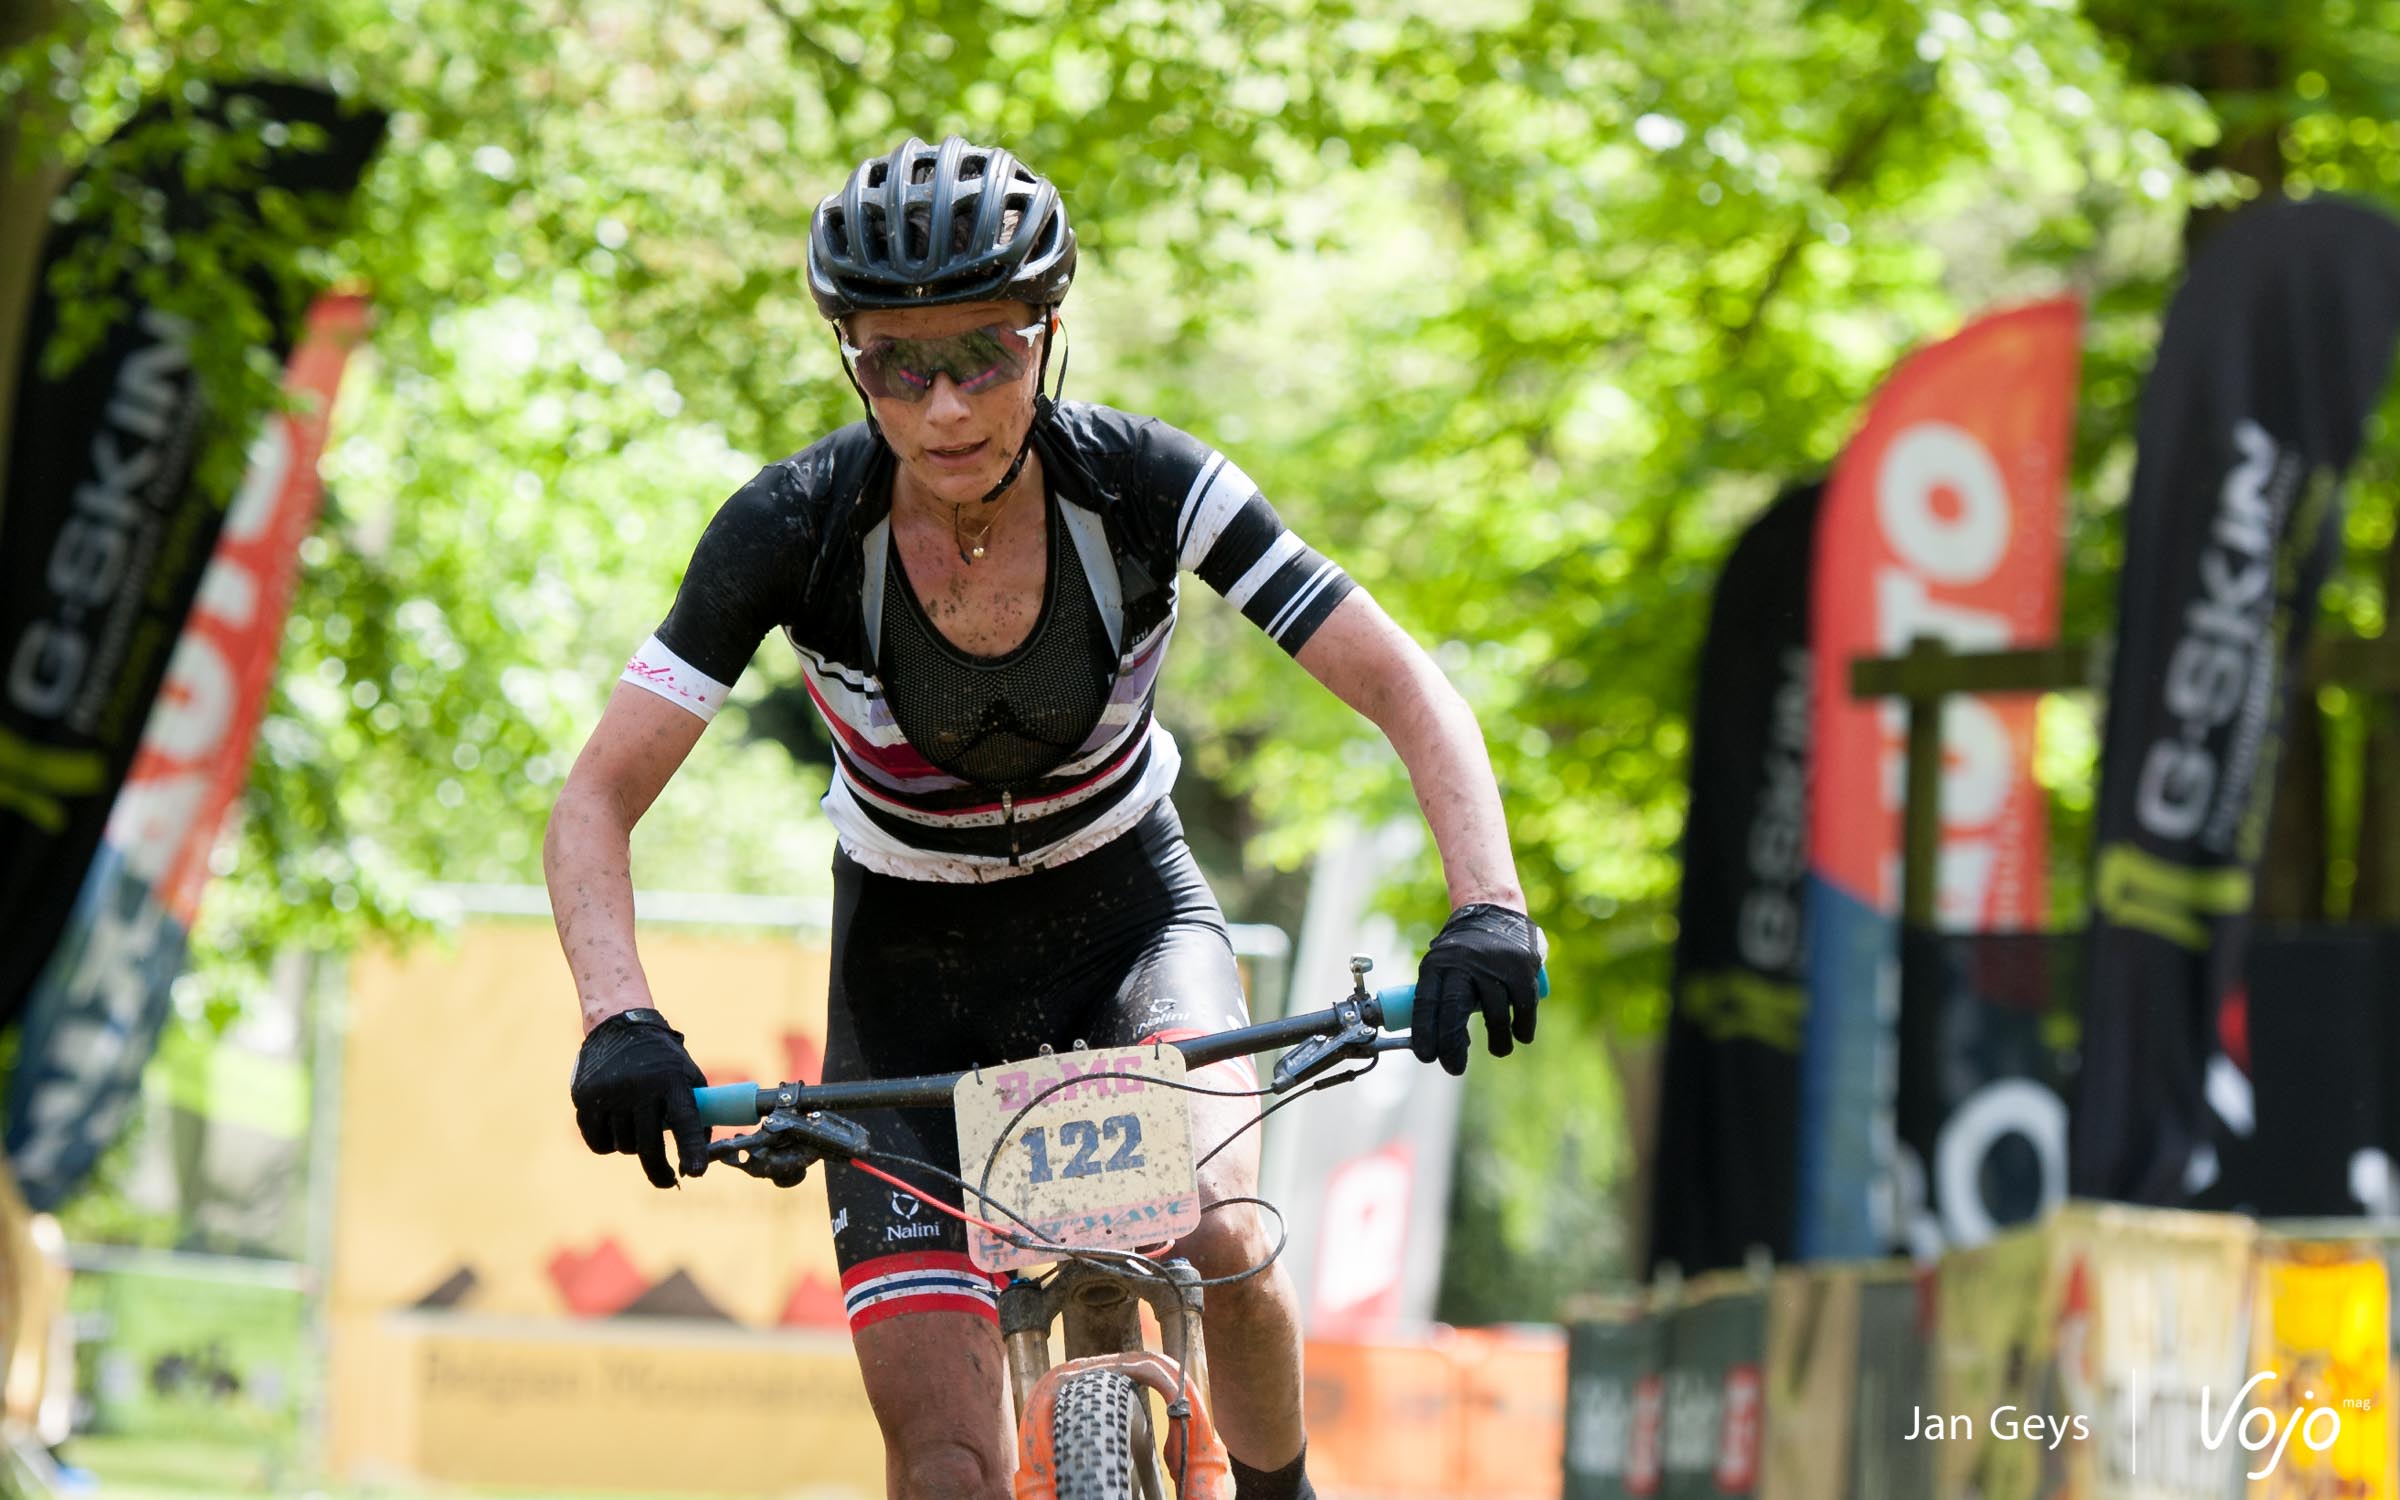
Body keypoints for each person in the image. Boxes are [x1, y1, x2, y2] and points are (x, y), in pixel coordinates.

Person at [544, 134, 1543, 1500]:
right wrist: (620, 1019)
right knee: (946, 1469)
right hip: (906, 982)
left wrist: (1490, 906)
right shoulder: (792, 527)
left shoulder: (1144, 485)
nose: (947, 406)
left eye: (986, 353)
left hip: (1129, 927)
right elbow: (598, 796)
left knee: (1222, 1237)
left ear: (1049, 334)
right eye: (899, 366)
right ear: (851, 362)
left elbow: (1406, 689)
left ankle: (1282, 1491)